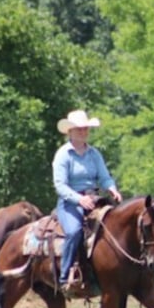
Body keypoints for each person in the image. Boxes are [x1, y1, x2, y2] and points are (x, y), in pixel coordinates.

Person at [53, 109, 122, 290]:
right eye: (79, 129)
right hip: (69, 202)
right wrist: (79, 199)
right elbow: (60, 185)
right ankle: (65, 276)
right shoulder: (63, 155)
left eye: (85, 129)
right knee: (75, 231)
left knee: (114, 226)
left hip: (94, 199)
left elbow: (104, 176)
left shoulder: (94, 154)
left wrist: (112, 189)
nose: (83, 132)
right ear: (70, 132)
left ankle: (108, 271)